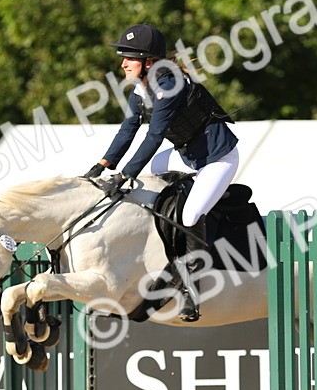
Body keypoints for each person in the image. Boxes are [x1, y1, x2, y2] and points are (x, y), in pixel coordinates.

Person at [92, 23, 238, 322]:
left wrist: (125, 175)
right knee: (152, 181)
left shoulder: (170, 84)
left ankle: (191, 288)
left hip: (217, 158)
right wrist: (103, 166)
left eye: (128, 58)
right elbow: (128, 130)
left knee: (189, 216)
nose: (122, 63)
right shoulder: (140, 89)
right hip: (185, 155)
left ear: (148, 62)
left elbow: (154, 136)